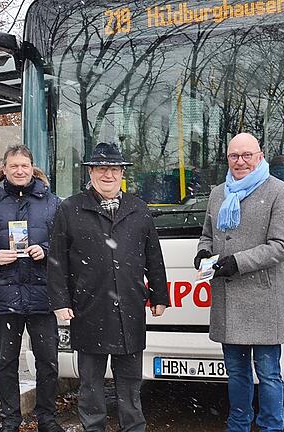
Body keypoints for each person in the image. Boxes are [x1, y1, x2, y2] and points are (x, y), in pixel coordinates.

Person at [48, 142, 170, 432]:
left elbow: (154, 256)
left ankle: (133, 428)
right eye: (101, 168)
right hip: (89, 308)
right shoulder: (70, 209)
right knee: (90, 385)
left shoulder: (138, 209)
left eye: (114, 169)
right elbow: (56, 260)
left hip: (129, 308)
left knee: (130, 385)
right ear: (91, 172)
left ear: (122, 173)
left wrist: (159, 295)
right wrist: (60, 301)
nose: (108, 175)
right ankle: (94, 428)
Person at [194, 132, 284, 432]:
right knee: (237, 373)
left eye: (246, 155)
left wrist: (237, 262)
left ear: (260, 156)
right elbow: (207, 235)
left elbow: (282, 247)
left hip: (263, 300)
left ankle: (271, 427)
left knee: (268, 374)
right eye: (233, 156)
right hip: (227, 301)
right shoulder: (218, 194)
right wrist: (203, 252)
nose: (240, 161)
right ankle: (238, 424)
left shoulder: (281, 193)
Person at [0, 145, 63, 432]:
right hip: (6, 294)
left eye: (24, 166)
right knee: (7, 362)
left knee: (48, 362)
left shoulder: (52, 203)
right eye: (14, 166)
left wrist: (45, 250)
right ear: (4, 169)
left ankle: (47, 418)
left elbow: (65, 243)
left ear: (33, 168)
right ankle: (10, 419)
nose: (19, 171)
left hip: (43, 294)